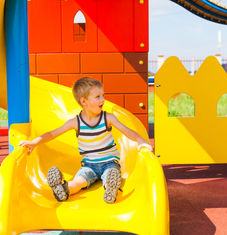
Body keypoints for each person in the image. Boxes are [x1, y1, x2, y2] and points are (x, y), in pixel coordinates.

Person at [18, 77, 151, 203]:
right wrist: (34, 142)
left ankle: (110, 188)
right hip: (89, 165)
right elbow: (53, 134)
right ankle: (64, 189)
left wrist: (140, 140)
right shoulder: (75, 122)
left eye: (103, 95)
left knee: (110, 174)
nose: (103, 100)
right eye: (98, 97)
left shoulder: (107, 118)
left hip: (109, 162)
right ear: (84, 101)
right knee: (78, 182)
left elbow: (126, 130)